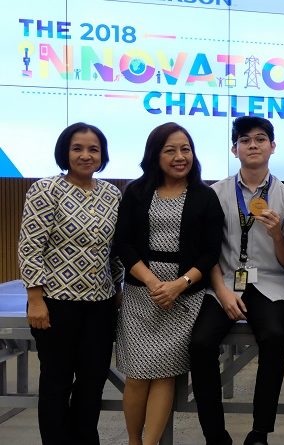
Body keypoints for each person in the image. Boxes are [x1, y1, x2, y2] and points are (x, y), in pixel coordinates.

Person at [189, 116, 284, 445]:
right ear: (234, 149)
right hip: (223, 283)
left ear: (272, 147)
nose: (253, 145)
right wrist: (221, 292)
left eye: (260, 139)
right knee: (200, 344)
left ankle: (260, 432)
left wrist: (277, 234)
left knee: (276, 338)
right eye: (245, 140)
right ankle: (215, 434)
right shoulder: (216, 193)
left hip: (270, 284)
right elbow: (207, 252)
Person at [114, 122, 224, 445]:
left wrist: (179, 284)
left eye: (185, 149)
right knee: (137, 376)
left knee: (164, 375)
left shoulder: (205, 196)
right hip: (140, 294)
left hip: (184, 297)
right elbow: (123, 244)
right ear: (155, 155)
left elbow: (210, 252)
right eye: (170, 150)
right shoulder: (136, 192)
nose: (180, 157)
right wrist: (152, 282)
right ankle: (134, 441)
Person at [18, 123, 122, 445]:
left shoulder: (112, 194)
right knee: (56, 383)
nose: (86, 155)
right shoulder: (45, 189)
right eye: (78, 148)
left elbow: (115, 250)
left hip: (101, 305)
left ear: (102, 155)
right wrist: (36, 300)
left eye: (93, 149)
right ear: (65, 152)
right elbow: (30, 246)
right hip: (55, 304)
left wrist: (118, 290)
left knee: (92, 382)